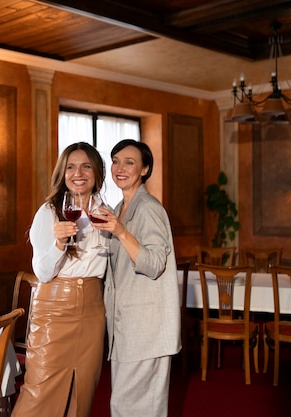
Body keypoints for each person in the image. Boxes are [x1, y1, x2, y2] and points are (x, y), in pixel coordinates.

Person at [12, 142, 107, 417]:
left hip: (92, 309)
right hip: (54, 309)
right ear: (62, 173)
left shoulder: (106, 210)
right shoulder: (49, 212)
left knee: (83, 392)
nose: (79, 173)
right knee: (39, 393)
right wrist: (59, 242)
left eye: (86, 165)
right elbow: (42, 273)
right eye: (71, 166)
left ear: (97, 172)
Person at [93, 139, 180, 417]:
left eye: (129, 162)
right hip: (124, 325)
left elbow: (154, 264)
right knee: (125, 405)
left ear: (144, 169)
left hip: (146, 328)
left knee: (131, 406)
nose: (120, 168)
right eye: (116, 160)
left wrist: (119, 232)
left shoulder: (148, 208)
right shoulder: (119, 208)